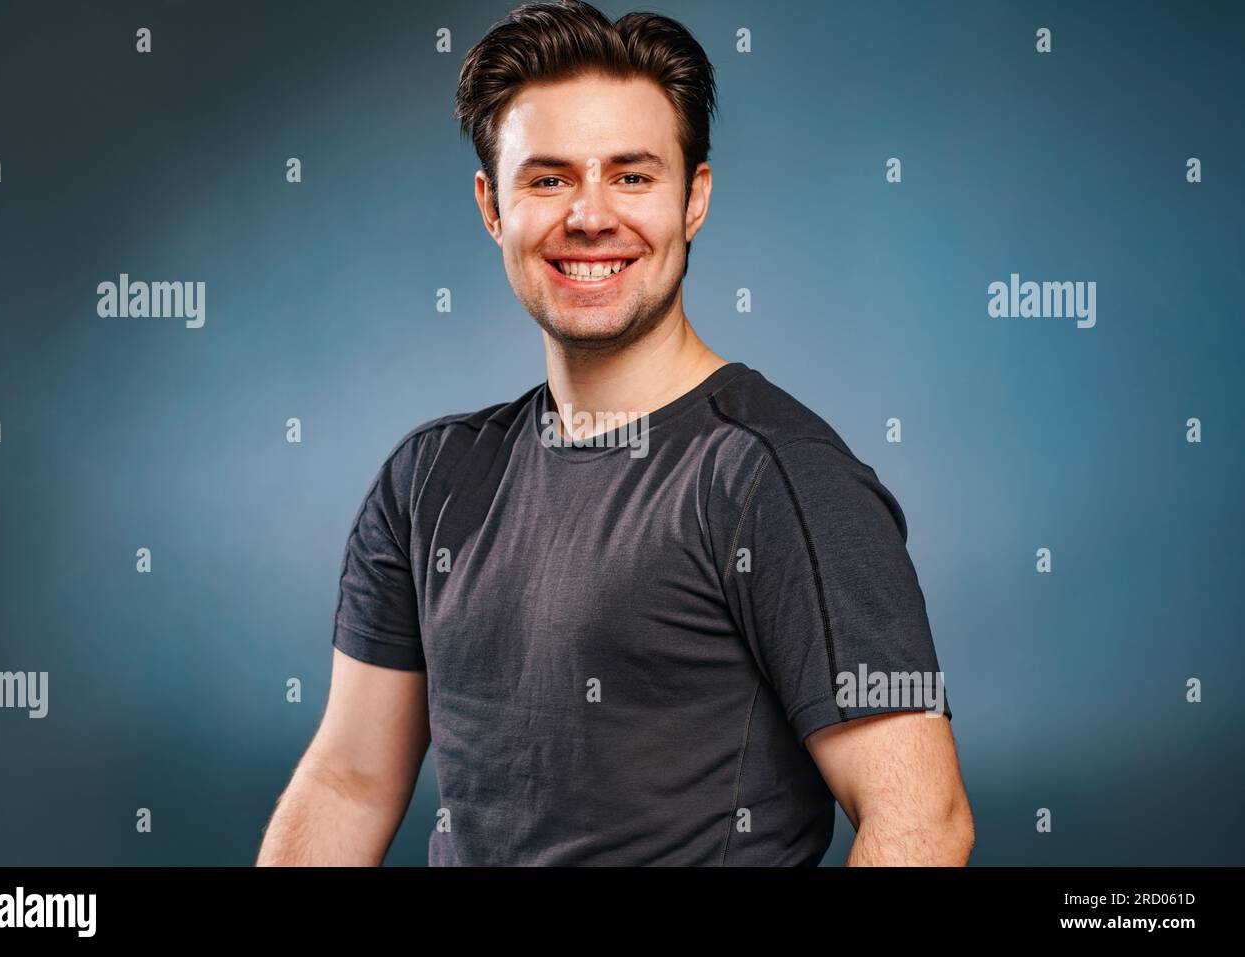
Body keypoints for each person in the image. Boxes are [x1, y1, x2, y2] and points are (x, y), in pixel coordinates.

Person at [257, 0, 973, 866]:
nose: (590, 217)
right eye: (548, 178)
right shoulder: (428, 481)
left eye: (631, 176)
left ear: (694, 197)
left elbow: (921, 822)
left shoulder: (775, 479)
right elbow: (349, 781)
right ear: (492, 205)